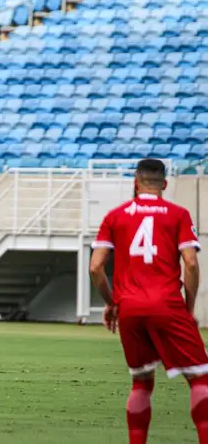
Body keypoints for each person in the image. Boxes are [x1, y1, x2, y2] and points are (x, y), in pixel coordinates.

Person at [89, 158, 208, 444]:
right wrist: (188, 308)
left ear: (135, 181)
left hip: (129, 308)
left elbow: (95, 267)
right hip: (167, 304)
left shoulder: (115, 216)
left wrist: (113, 303)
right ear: (164, 184)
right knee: (201, 379)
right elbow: (190, 263)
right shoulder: (178, 214)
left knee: (141, 382)